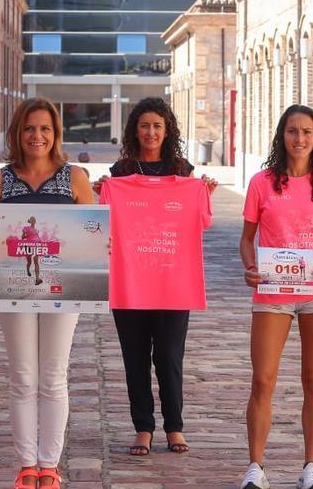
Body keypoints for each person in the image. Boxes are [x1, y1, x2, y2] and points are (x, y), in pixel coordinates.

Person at [93, 97, 217, 456]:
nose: (150, 132)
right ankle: (143, 428)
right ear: (135, 130)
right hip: (130, 283)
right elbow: (102, 227)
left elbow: (202, 222)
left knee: (169, 357)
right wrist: (103, 193)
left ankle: (174, 427)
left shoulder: (183, 171)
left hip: (173, 283)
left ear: (167, 131)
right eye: (144, 125)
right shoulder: (119, 174)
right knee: (134, 358)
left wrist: (203, 194)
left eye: (157, 126)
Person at [0, 97, 96, 489]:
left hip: (64, 290)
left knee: (53, 376)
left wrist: (103, 246)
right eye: (30, 128)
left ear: (56, 133)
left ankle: (50, 466)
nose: (37, 135)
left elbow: (91, 236)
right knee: (22, 376)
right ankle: (26, 464)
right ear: (18, 132)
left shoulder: (75, 178)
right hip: (13, 290)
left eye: (45, 128)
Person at [238, 105, 313, 489]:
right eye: (292, 131)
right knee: (263, 379)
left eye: (306, 131)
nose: (299, 139)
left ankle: (311, 467)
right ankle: (256, 467)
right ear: (281, 135)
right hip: (272, 291)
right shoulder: (261, 183)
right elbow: (246, 238)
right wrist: (250, 266)